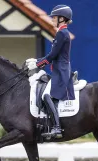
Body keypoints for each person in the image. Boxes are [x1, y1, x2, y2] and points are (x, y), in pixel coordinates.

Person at [27, 5, 75, 139]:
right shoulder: (62, 32)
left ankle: (57, 128)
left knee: (46, 95)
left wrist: (37, 64)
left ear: (62, 19)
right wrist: (37, 61)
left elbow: (53, 55)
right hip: (60, 70)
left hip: (61, 72)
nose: (52, 19)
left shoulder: (62, 33)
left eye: (55, 17)